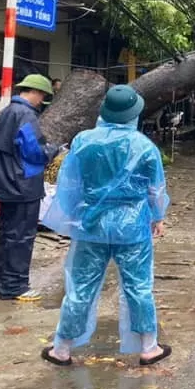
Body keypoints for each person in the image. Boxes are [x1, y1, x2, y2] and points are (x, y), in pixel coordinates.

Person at [41, 85, 171, 367]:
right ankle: (149, 346)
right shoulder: (144, 147)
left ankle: (61, 348)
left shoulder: (84, 141)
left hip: (92, 225)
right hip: (133, 227)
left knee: (81, 287)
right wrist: (157, 217)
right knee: (139, 286)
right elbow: (155, 189)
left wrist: (74, 215)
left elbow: (70, 183)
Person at [0, 74, 60, 301]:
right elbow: (34, 152)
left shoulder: (6, 112)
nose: (42, 101)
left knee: (6, 235)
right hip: (23, 186)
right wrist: (53, 149)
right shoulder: (26, 115)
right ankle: (16, 286)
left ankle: (3, 283)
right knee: (21, 238)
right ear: (37, 93)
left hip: (5, 184)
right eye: (43, 96)